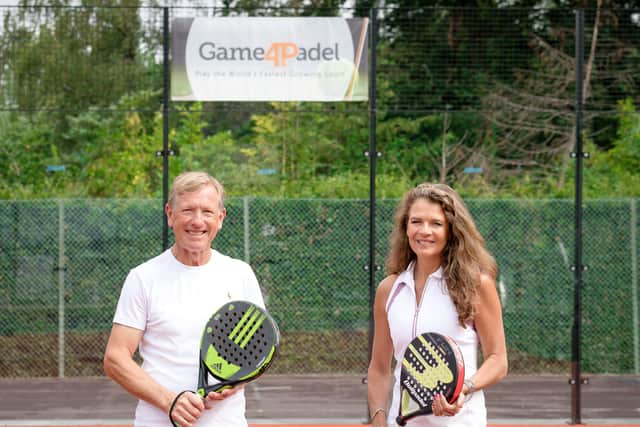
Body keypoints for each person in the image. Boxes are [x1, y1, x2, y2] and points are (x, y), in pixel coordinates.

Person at [103, 171, 265, 427]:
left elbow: (257, 351)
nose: (197, 221)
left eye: (207, 212)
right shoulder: (143, 278)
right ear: (170, 214)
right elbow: (115, 358)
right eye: (188, 210)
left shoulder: (240, 274)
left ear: (220, 218)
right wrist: (170, 401)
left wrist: (236, 382)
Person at [367, 183, 508, 427]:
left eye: (436, 223)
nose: (424, 231)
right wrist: (379, 419)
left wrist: (463, 389)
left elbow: (498, 359)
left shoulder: (476, 284)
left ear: (452, 230)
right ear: (405, 227)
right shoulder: (389, 290)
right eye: (416, 221)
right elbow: (379, 368)